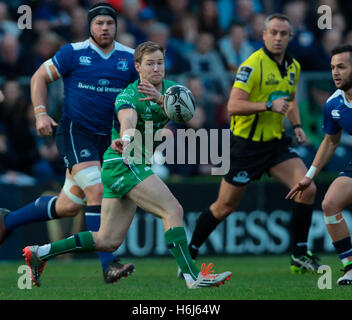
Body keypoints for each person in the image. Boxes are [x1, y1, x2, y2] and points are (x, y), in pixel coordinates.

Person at [22, 41, 232, 289]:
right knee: (172, 209)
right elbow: (127, 120)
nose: (156, 69)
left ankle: (41, 252)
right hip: (125, 160)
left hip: (127, 166)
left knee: (107, 240)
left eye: (160, 63)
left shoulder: (172, 90)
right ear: (137, 67)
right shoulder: (129, 94)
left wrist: (162, 99)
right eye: (150, 64)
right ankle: (192, 277)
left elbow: (191, 116)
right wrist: (127, 138)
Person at [0, 3, 137, 284]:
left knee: (67, 207)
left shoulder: (129, 58)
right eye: (99, 23)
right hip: (76, 133)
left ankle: (7, 222)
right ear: (90, 26)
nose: (105, 28)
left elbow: (139, 98)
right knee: (97, 191)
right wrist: (40, 113)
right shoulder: (73, 53)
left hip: (108, 140)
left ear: (116, 26)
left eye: (109, 23)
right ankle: (108, 265)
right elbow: (39, 76)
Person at [183, 13, 321, 276]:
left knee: (308, 188)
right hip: (245, 147)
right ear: (264, 35)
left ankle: (299, 255)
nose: (278, 38)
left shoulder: (293, 66)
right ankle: (190, 251)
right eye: (274, 33)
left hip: (275, 145)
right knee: (225, 206)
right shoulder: (252, 65)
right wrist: (267, 105)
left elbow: (289, 100)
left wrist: (299, 125)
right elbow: (233, 106)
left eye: (284, 34)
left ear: (290, 37)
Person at [286, 44, 352, 285]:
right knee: (330, 203)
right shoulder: (334, 103)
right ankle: (350, 268)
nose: (335, 72)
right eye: (333, 67)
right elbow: (330, 142)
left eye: (342, 67)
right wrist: (309, 176)